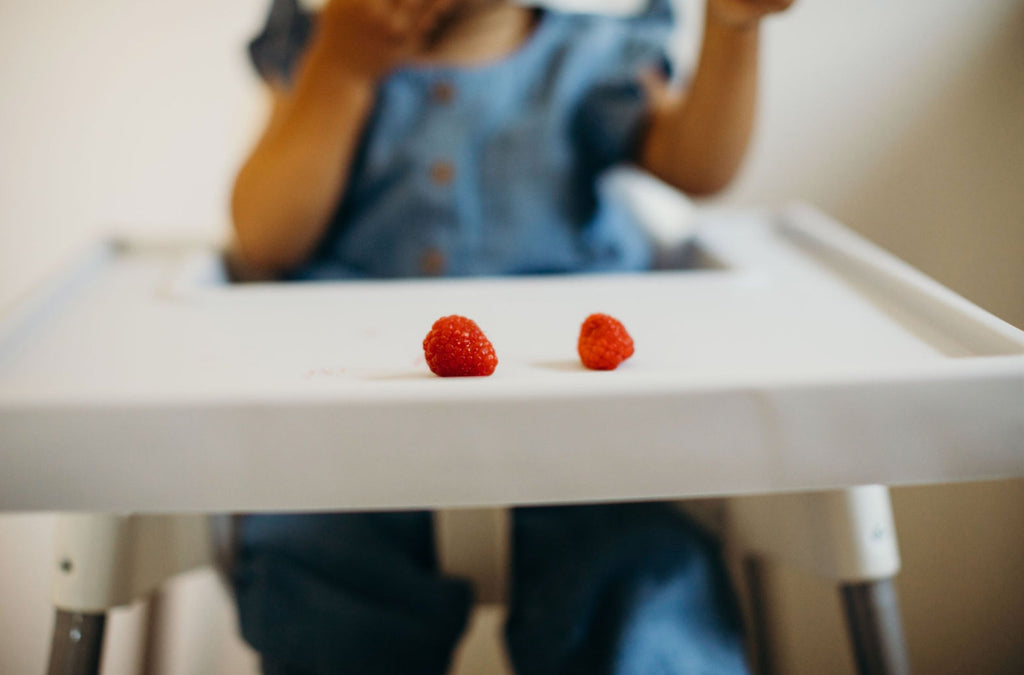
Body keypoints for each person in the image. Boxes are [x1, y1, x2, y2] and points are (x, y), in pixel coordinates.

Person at [229, 1, 794, 673]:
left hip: (584, 454)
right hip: (356, 464)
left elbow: (697, 166)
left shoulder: (590, 54)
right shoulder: (319, 45)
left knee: (646, 589)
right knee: (320, 590)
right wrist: (341, 69)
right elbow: (265, 236)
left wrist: (734, 28)